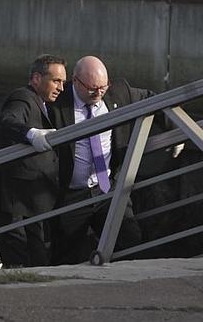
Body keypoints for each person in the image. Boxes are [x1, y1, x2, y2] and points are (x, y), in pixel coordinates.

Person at [48, 55, 152, 265]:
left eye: (103, 88)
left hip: (107, 189)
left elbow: (152, 98)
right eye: (92, 88)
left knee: (131, 242)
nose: (98, 93)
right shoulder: (57, 102)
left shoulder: (118, 92)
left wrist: (175, 131)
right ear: (75, 81)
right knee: (65, 255)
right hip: (72, 194)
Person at [0, 54, 66, 268]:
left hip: (26, 202)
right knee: (19, 260)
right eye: (56, 81)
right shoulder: (23, 98)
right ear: (36, 78)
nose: (61, 87)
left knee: (37, 259)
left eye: (63, 81)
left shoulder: (42, 104)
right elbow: (7, 122)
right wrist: (32, 135)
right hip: (8, 201)